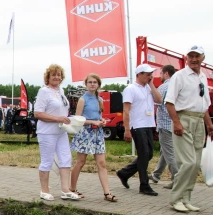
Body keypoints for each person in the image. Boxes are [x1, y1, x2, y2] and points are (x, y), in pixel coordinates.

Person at [165, 45, 213, 213]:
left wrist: (209, 124)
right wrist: (177, 123)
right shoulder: (179, 76)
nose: (194, 59)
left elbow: (204, 105)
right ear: (186, 58)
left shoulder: (203, 77)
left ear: (203, 58)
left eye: (197, 56)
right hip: (184, 119)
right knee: (187, 162)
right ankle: (176, 199)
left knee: (195, 163)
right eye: (191, 56)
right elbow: (169, 102)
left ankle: (186, 198)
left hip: (198, 120)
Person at [34, 64, 80, 201]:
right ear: (48, 77)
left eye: (59, 75)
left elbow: (63, 110)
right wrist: (57, 118)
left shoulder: (61, 91)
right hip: (47, 132)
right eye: (53, 75)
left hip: (61, 131)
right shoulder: (44, 91)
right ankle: (44, 190)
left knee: (66, 158)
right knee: (47, 160)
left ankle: (66, 189)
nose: (56, 77)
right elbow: (38, 113)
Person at [116, 63, 163, 196]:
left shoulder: (148, 88)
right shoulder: (130, 89)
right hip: (137, 125)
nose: (150, 76)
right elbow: (126, 109)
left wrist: (152, 85)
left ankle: (124, 173)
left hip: (148, 124)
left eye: (151, 74)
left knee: (148, 154)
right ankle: (144, 185)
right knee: (143, 155)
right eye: (147, 74)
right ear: (139, 74)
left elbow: (159, 100)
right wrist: (127, 129)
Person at [70, 73, 117, 202]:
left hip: (98, 133)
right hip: (85, 133)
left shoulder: (100, 100)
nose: (92, 84)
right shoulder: (82, 99)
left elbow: (99, 115)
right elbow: (77, 119)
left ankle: (107, 193)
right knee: (81, 162)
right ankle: (72, 189)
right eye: (90, 82)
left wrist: (102, 121)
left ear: (98, 85)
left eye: (94, 82)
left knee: (102, 163)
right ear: (86, 84)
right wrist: (92, 122)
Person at [149, 65, 178, 190]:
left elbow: (156, 101)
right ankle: (156, 175)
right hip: (175, 123)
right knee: (165, 151)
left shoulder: (163, 87)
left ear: (166, 74)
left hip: (165, 124)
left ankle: (177, 179)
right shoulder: (177, 85)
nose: (159, 76)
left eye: (161, 73)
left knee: (169, 153)